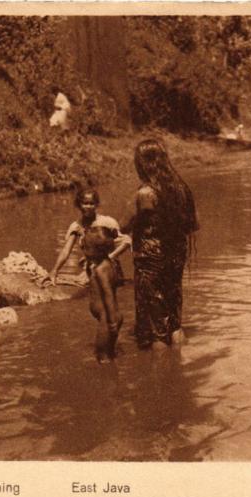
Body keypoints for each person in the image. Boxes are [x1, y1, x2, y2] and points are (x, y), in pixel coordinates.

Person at [122, 139, 199, 349]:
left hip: (150, 260)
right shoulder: (181, 189)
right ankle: (178, 369)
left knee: (157, 328)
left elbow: (124, 225)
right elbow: (192, 225)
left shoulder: (146, 193)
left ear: (144, 164)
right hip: (176, 256)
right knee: (174, 322)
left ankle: (161, 376)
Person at [47, 185, 131, 286]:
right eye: (85, 203)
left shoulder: (107, 222)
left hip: (109, 267)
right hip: (91, 268)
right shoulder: (76, 226)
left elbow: (127, 241)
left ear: (96, 205)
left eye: (92, 204)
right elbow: (66, 251)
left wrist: (109, 257)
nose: (89, 207)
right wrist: (55, 270)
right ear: (79, 205)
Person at [82, 226, 123, 362]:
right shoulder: (107, 264)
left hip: (107, 318)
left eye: (86, 248)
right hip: (110, 317)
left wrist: (111, 323)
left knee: (103, 358)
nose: (83, 250)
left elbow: (108, 294)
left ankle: (109, 381)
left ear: (97, 251)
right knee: (110, 354)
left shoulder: (101, 271)